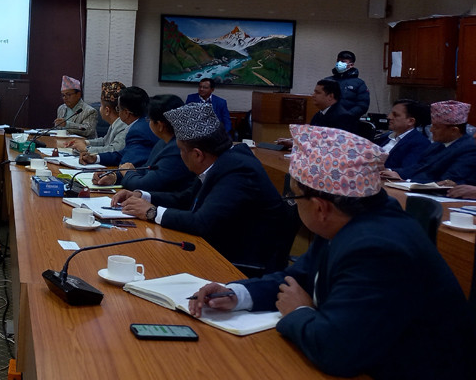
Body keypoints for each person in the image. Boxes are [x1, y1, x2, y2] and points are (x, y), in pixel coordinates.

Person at [188, 125, 475, 379]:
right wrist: (235, 294)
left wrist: (298, 311)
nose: (293, 204)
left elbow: (337, 352)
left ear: (320, 207)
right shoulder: (349, 219)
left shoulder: (379, 248)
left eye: (294, 196)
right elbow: (297, 279)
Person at [111, 102, 294, 272]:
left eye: (181, 150)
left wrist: (151, 212)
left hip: (240, 265)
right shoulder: (221, 161)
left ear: (197, 154)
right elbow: (187, 198)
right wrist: (143, 196)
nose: (180, 156)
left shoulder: (238, 170)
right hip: (217, 249)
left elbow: (202, 222)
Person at [95, 94, 195, 194]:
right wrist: (114, 177)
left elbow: (146, 185)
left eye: (149, 120)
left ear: (159, 125)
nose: (147, 123)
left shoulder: (176, 150)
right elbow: (145, 169)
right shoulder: (164, 142)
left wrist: (128, 173)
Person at [381, 100, 476, 184]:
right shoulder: (436, 146)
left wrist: (407, 181)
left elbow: (448, 181)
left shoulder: (470, 149)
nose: (431, 130)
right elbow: (419, 167)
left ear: (454, 131)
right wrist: (393, 172)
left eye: (436, 127)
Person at [80, 86, 160, 168]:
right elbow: (123, 153)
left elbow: (126, 166)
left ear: (126, 113)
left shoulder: (138, 130)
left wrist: (112, 176)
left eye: (118, 108)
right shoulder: (142, 123)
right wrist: (96, 158)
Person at [275, 78, 355, 148]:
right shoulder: (319, 115)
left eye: (318, 93)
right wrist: (293, 141)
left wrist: (296, 144)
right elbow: (311, 138)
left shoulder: (343, 117)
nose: (313, 96)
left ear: (330, 96)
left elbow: (333, 146)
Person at [65, 81, 126, 155]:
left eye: (101, 105)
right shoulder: (115, 123)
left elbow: (114, 149)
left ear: (107, 110)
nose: (99, 108)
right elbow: (104, 141)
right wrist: (85, 142)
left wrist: (86, 149)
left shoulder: (123, 126)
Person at [375, 99, 430, 175]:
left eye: (395, 115)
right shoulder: (384, 137)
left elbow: (408, 169)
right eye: (390, 113)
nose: (389, 117)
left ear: (410, 121)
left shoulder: (420, 143)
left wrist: (387, 171)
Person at [328, 50, 370, 118]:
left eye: (343, 61)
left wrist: (347, 115)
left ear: (351, 65)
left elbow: (362, 105)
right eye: (338, 61)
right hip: (328, 120)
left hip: (349, 122)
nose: (339, 63)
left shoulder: (359, 83)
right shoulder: (328, 81)